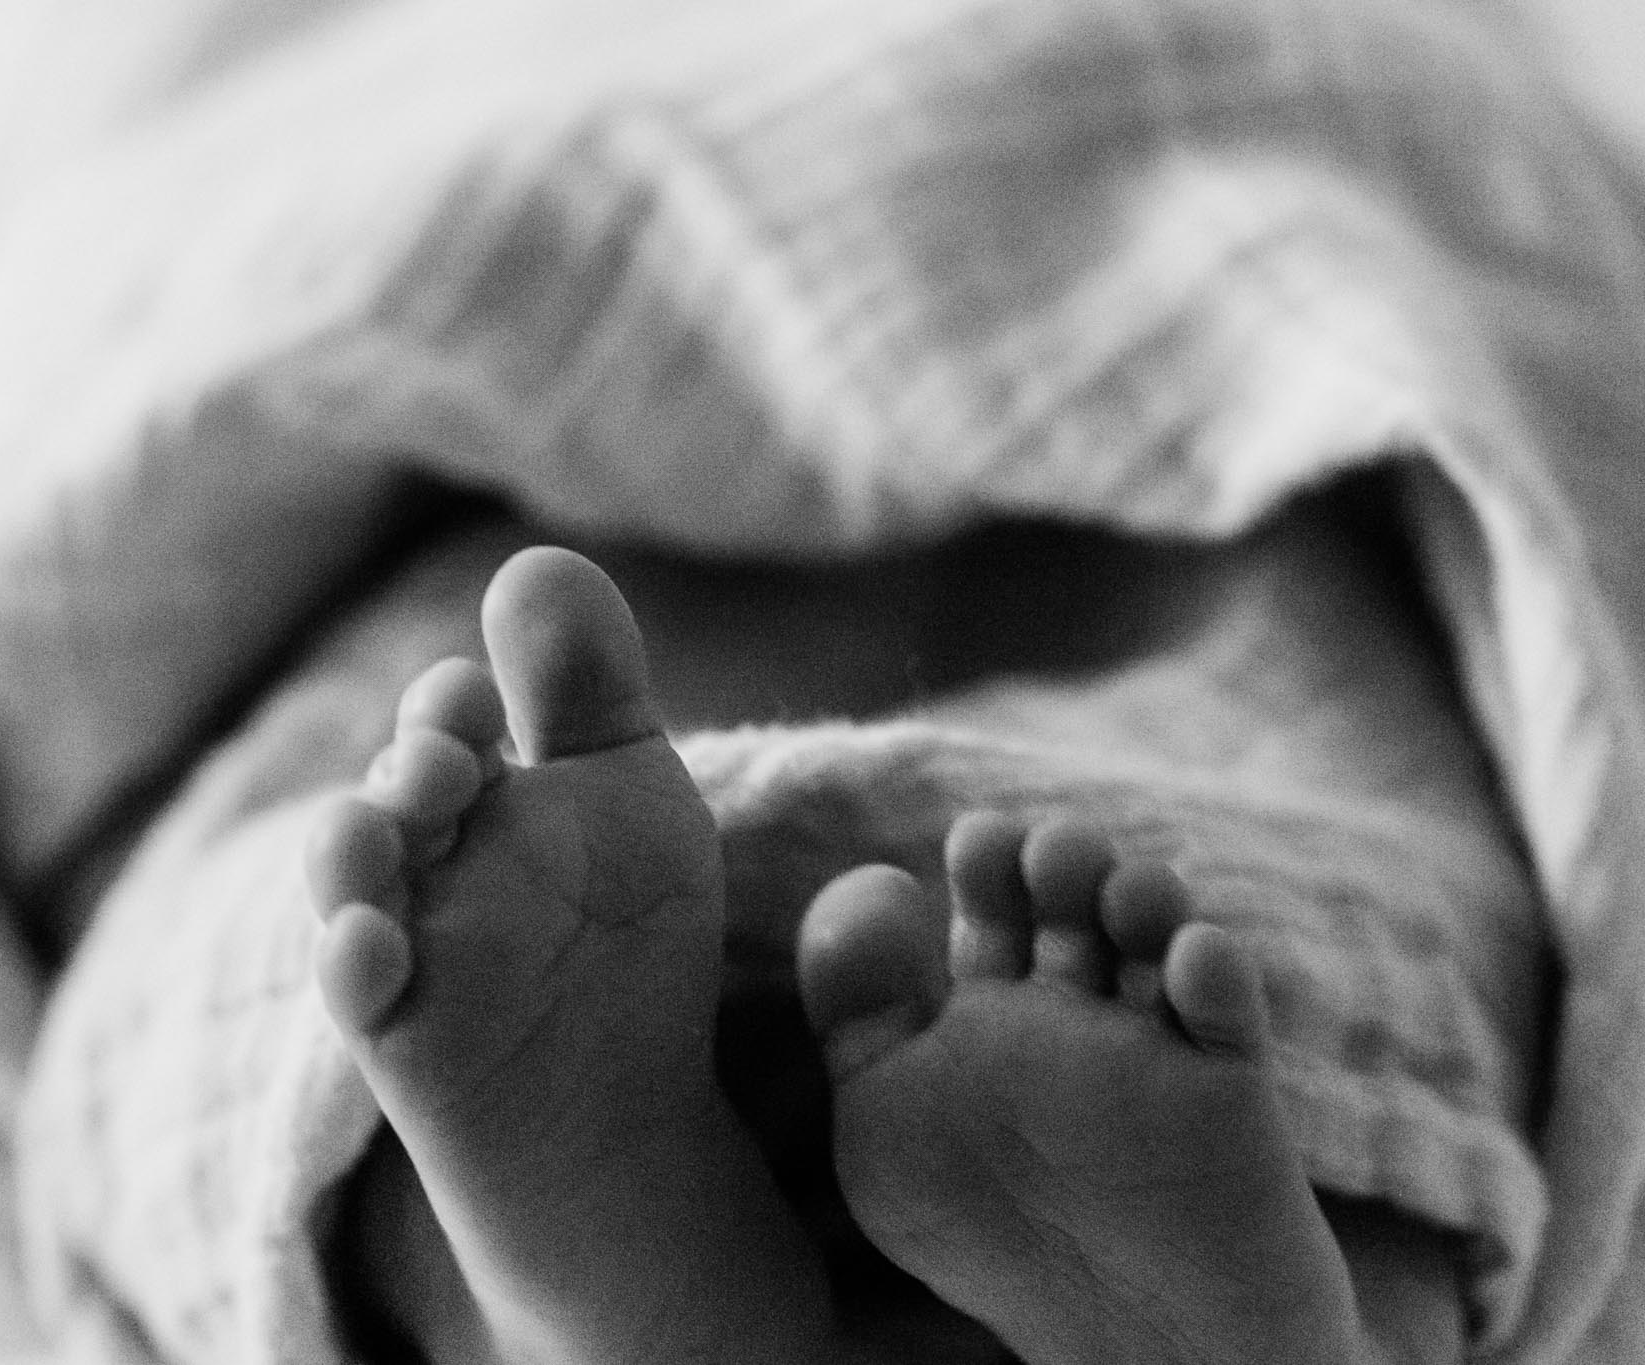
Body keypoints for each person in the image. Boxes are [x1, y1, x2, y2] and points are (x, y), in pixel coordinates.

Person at [265, 477, 1497, 1364]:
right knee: (1385, 1069)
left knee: (316, 1063)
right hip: (1215, 534)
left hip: (503, 508)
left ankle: (523, 1320)